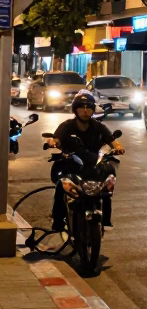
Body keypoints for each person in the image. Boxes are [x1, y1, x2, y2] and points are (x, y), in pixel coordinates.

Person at [50, 92, 125, 231]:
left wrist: (118, 148)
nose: (85, 111)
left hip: (92, 163)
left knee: (107, 184)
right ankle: (58, 221)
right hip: (71, 163)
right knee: (61, 186)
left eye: (89, 108)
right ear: (75, 109)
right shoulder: (67, 126)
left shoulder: (98, 126)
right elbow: (56, 139)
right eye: (82, 107)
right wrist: (52, 143)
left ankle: (106, 220)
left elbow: (113, 141)